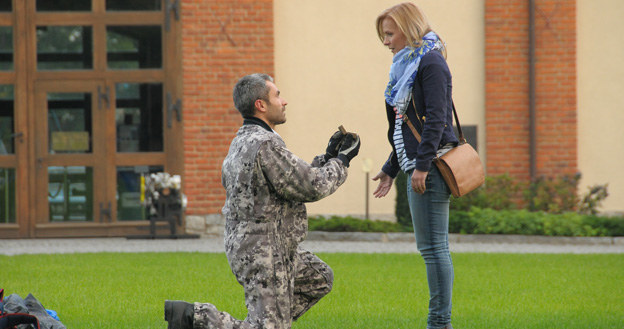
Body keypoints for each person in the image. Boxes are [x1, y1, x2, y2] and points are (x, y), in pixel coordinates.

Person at [164, 73, 360, 329]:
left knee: (319, 277)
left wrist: (327, 156)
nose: (284, 101)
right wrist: (342, 161)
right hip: (265, 252)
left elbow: (291, 181)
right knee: (267, 328)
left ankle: (269, 321)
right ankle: (195, 317)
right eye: (277, 95)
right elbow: (312, 186)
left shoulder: (242, 141)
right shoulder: (265, 144)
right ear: (261, 105)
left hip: (255, 246)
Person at [371, 3, 459, 329]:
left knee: (434, 249)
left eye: (390, 33)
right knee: (431, 249)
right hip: (418, 165)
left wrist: (421, 167)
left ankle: (439, 324)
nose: (386, 41)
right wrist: (392, 168)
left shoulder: (431, 62)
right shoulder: (405, 67)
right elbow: (404, 125)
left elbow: (437, 118)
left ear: (410, 28)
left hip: (430, 168)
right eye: (384, 35)